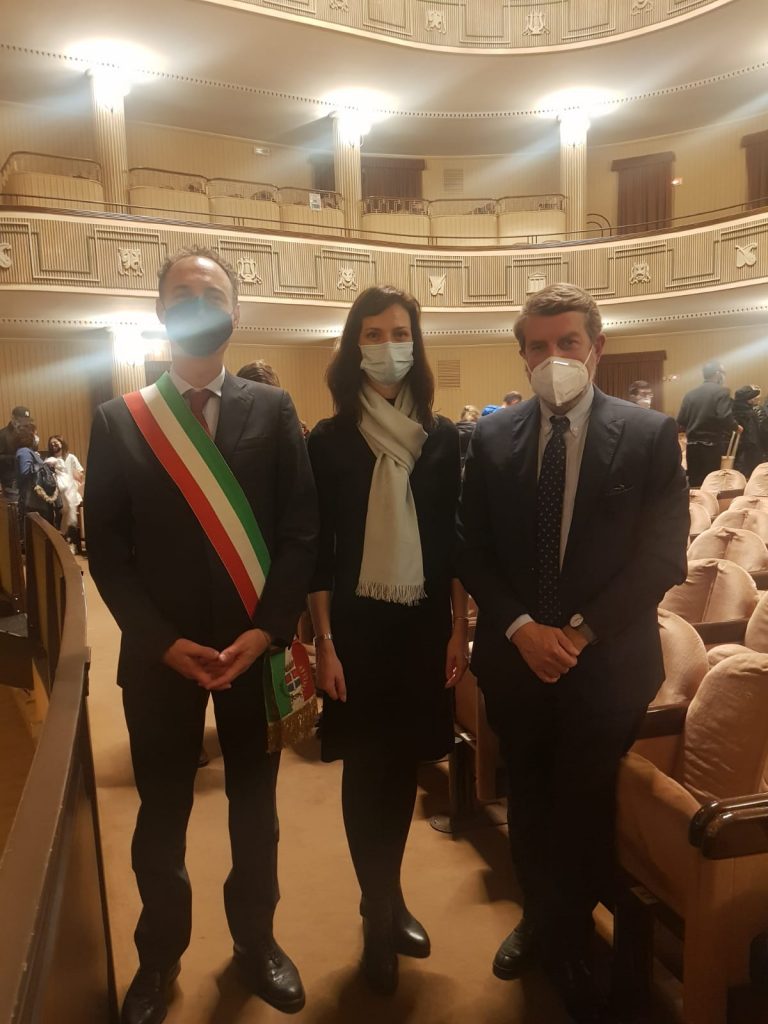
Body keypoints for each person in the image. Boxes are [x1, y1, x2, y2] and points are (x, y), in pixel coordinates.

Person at [85, 246, 317, 1024]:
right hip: (161, 661)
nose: (197, 303)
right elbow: (108, 553)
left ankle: (257, 942)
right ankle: (158, 960)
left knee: (256, 815)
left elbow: (299, 532)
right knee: (160, 820)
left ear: (235, 312)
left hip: (254, 654)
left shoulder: (272, 410)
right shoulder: (120, 420)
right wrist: (159, 640)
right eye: (182, 292)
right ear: (160, 309)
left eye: (212, 293)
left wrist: (268, 631)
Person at [458, 283, 689, 1023]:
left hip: (608, 664)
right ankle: (540, 919)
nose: (553, 357)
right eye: (538, 346)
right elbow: (472, 547)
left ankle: (571, 935)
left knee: (586, 805)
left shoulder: (649, 435)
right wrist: (523, 628)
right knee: (527, 798)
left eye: (568, 342)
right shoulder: (492, 437)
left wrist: (580, 634)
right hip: (517, 659)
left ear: (596, 347)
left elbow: (662, 557)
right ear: (522, 355)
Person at [307, 285, 468, 995]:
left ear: (416, 342)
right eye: (371, 333)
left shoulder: (443, 437)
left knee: (401, 766)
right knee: (364, 767)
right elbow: (318, 552)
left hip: (423, 625)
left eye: (399, 332)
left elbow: (454, 544)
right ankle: (376, 912)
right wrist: (324, 641)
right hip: (355, 628)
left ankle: (391, 893)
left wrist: (458, 629)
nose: (386, 345)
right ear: (354, 346)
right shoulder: (328, 439)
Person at [677, 361, 738, 486]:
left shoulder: (690, 394)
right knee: (711, 482)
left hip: (692, 446)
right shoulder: (722, 392)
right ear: (717, 374)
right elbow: (724, 416)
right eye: (723, 373)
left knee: (694, 482)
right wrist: (736, 427)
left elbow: (681, 420)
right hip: (711, 446)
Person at [15, 422, 61, 527]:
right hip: (34, 503)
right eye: (36, 434)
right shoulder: (24, 452)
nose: (37, 437)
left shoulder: (28, 451)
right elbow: (25, 472)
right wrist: (44, 465)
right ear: (29, 436)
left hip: (38, 502)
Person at [45, 435, 84, 551]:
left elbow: (80, 476)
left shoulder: (70, 457)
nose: (53, 445)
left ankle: (72, 542)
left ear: (62, 443)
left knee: (71, 512)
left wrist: (72, 475)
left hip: (70, 491)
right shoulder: (49, 460)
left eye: (56, 442)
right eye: (51, 443)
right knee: (59, 515)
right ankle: (62, 544)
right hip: (56, 493)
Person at [0, 405, 32, 500]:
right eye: (22, 420)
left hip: (28, 479)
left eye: (27, 420)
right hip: (11, 481)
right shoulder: (2, 435)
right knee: (16, 506)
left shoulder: (28, 433)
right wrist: (17, 457)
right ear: (13, 419)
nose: (25, 423)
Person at [732, 385, 765, 477]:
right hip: (750, 454)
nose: (754, 399)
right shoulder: (750, 414)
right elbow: (753, 437)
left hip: (736, 453)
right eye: (752, 397)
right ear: (747, 399)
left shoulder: (731, 412)